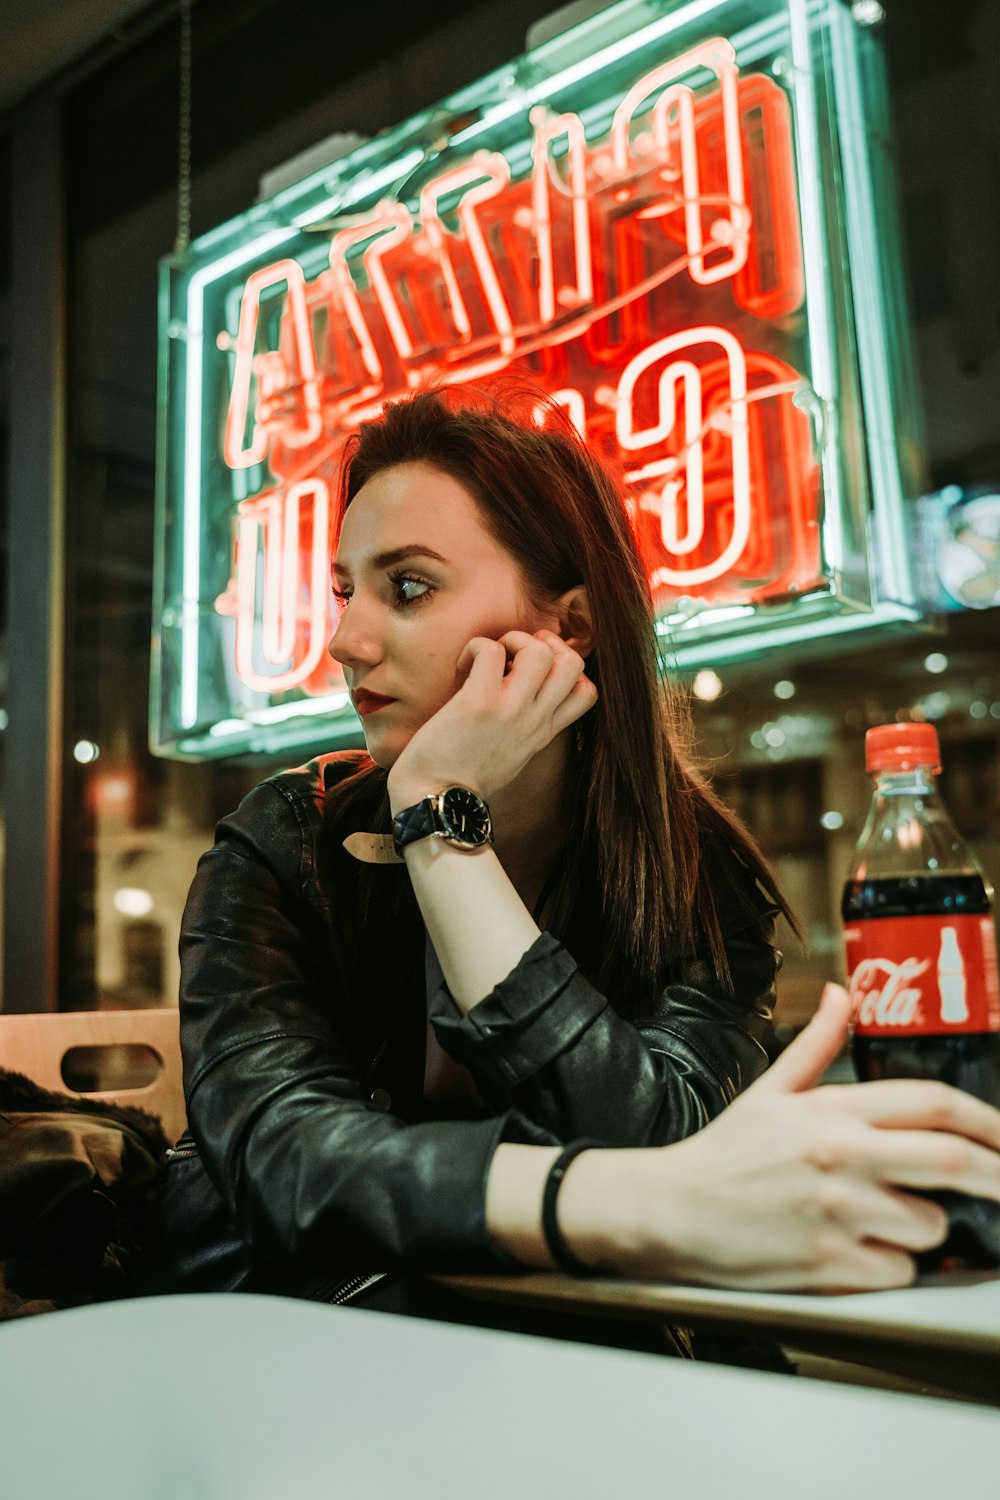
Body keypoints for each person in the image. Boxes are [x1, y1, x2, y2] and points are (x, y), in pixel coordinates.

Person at [141, 386, 1000, 1324]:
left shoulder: (689, 868)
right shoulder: (284, 841)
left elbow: (663, 1142)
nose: (345, 640)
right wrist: (603, 1203)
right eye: (346, 590)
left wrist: (441, 826)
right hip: (306, 1352)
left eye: (410, 588)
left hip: (590, 1364)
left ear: (569, 627)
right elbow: (283, 1165)